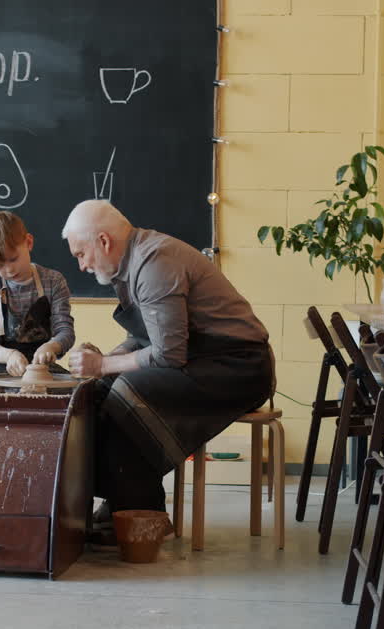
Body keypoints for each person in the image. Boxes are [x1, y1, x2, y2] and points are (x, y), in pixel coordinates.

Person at [62, 200, 273, 521]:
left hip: (239, 368)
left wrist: (103, 365)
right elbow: (146, 338)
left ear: (103, 241)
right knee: (98, 391)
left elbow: (167, 354)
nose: (81, 266)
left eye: (81, 254)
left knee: (128, 393)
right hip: (201, 360)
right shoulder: (134, 260)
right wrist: (105, 360)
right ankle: (119, 501)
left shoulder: (154, 263)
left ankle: (141, 513)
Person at [0, 211, 76, 380]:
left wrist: (51, 347)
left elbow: (65, 331)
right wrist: (9, 355)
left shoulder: (53, 281)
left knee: (74, 391)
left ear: (29, 242)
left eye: (13, 259)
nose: (9, 270)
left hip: (36, 361)